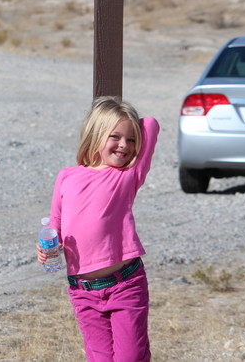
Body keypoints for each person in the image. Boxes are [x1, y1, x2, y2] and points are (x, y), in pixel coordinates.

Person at [37, 96, 160, 362]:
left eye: (131, 140)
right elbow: (55, 220)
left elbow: (150, 124)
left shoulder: (127, 176)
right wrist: (48, 245)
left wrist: (120, 116)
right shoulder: (67, 176)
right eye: (115, 137)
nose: (124, 145)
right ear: (96, 134)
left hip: (125, 284)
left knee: (131, 357)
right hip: (83, 291)